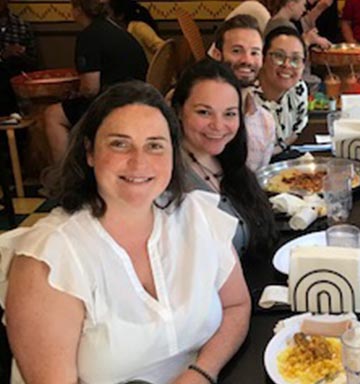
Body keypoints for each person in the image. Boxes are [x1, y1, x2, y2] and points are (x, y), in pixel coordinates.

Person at [0, 81, 250, 383]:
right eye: (120, 143)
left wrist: (201, 372)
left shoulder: (197, 215)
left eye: (155, 145)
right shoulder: (49, 259)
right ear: (90, 152)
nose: (139, 161)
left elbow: (236, 305)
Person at [172, 59, 277, 259]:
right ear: (178, 110)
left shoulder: (228, 161)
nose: (218, 125)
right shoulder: (170, 179)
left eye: (229, 114)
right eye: (204, 112)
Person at [44, 0, 147, 163]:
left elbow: (91, 88)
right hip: (138, 99)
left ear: (77, 10)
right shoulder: (117, 29)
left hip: (111, 105)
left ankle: (64, 179)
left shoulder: (88, 36)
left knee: (53, 114)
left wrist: (74, 93)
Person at [210, 14, 277, 171]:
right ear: (217, 55)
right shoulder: (199, 116)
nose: (247, 60)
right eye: (236, 51)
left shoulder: (265, 122)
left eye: (254, 52)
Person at [252, 23, 309, 152]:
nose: (287, 65)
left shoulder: (298, 90)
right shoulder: (245, 97)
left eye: (296, 59)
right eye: (278, 56)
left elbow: (296, 131)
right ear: (263, 58)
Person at [0, 0, 37, 115]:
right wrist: (2, 54)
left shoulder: (21, 25)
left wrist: (22, 55)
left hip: (16, 77)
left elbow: (34, 61)